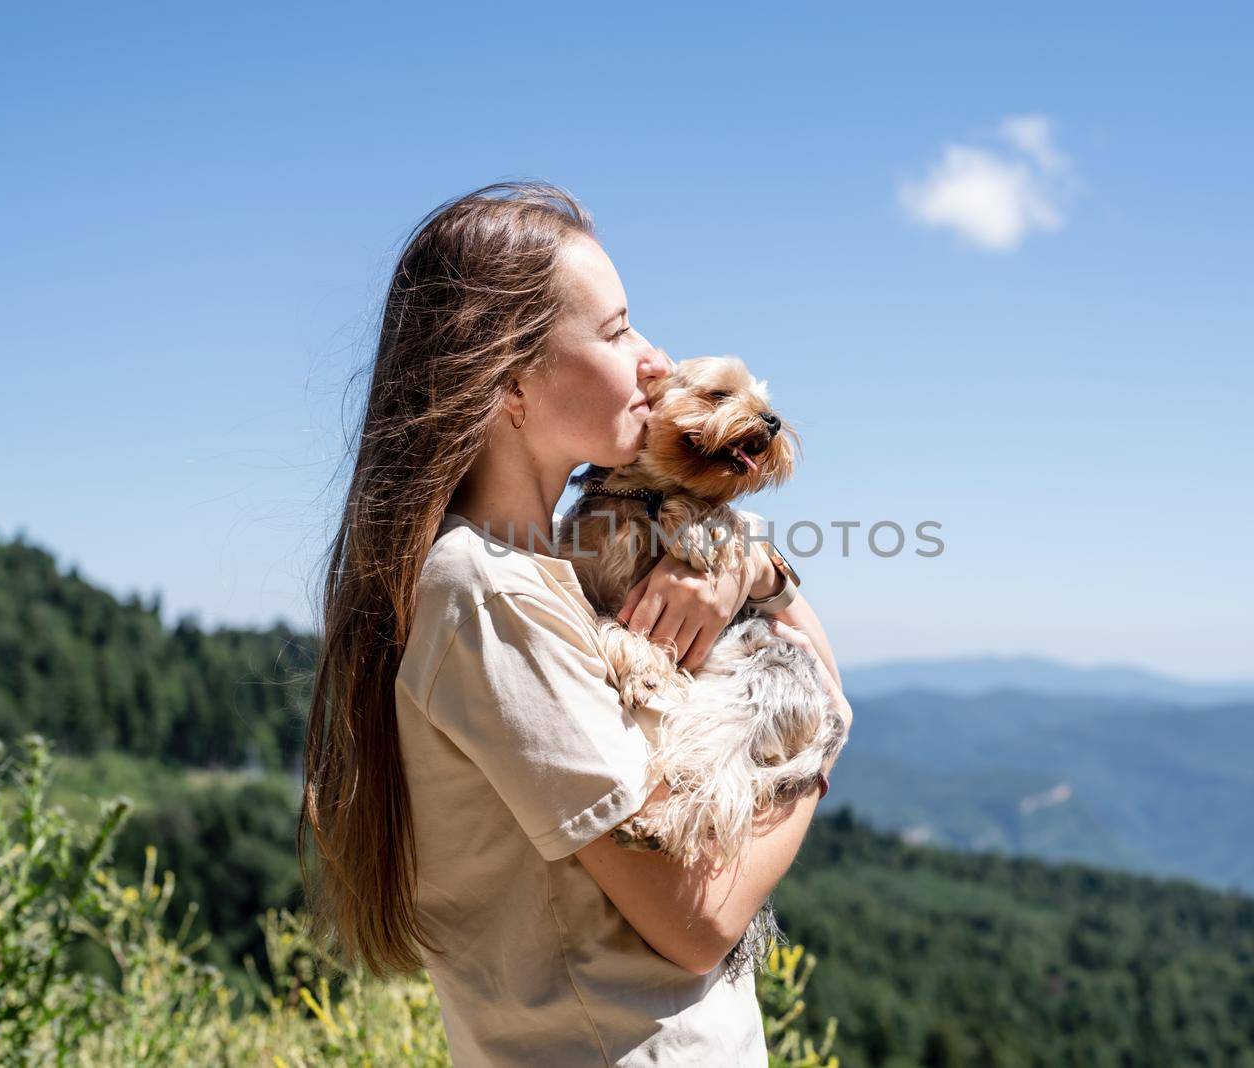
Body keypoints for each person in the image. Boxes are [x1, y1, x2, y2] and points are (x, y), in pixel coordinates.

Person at [299, 180, 852, 1066]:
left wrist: (752, 569)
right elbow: (699, 919)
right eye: (617, 329)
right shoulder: (488, 593)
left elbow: (800, 655)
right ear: (513, 382)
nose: (654, 358)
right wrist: (820, 752)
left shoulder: (546, 574)